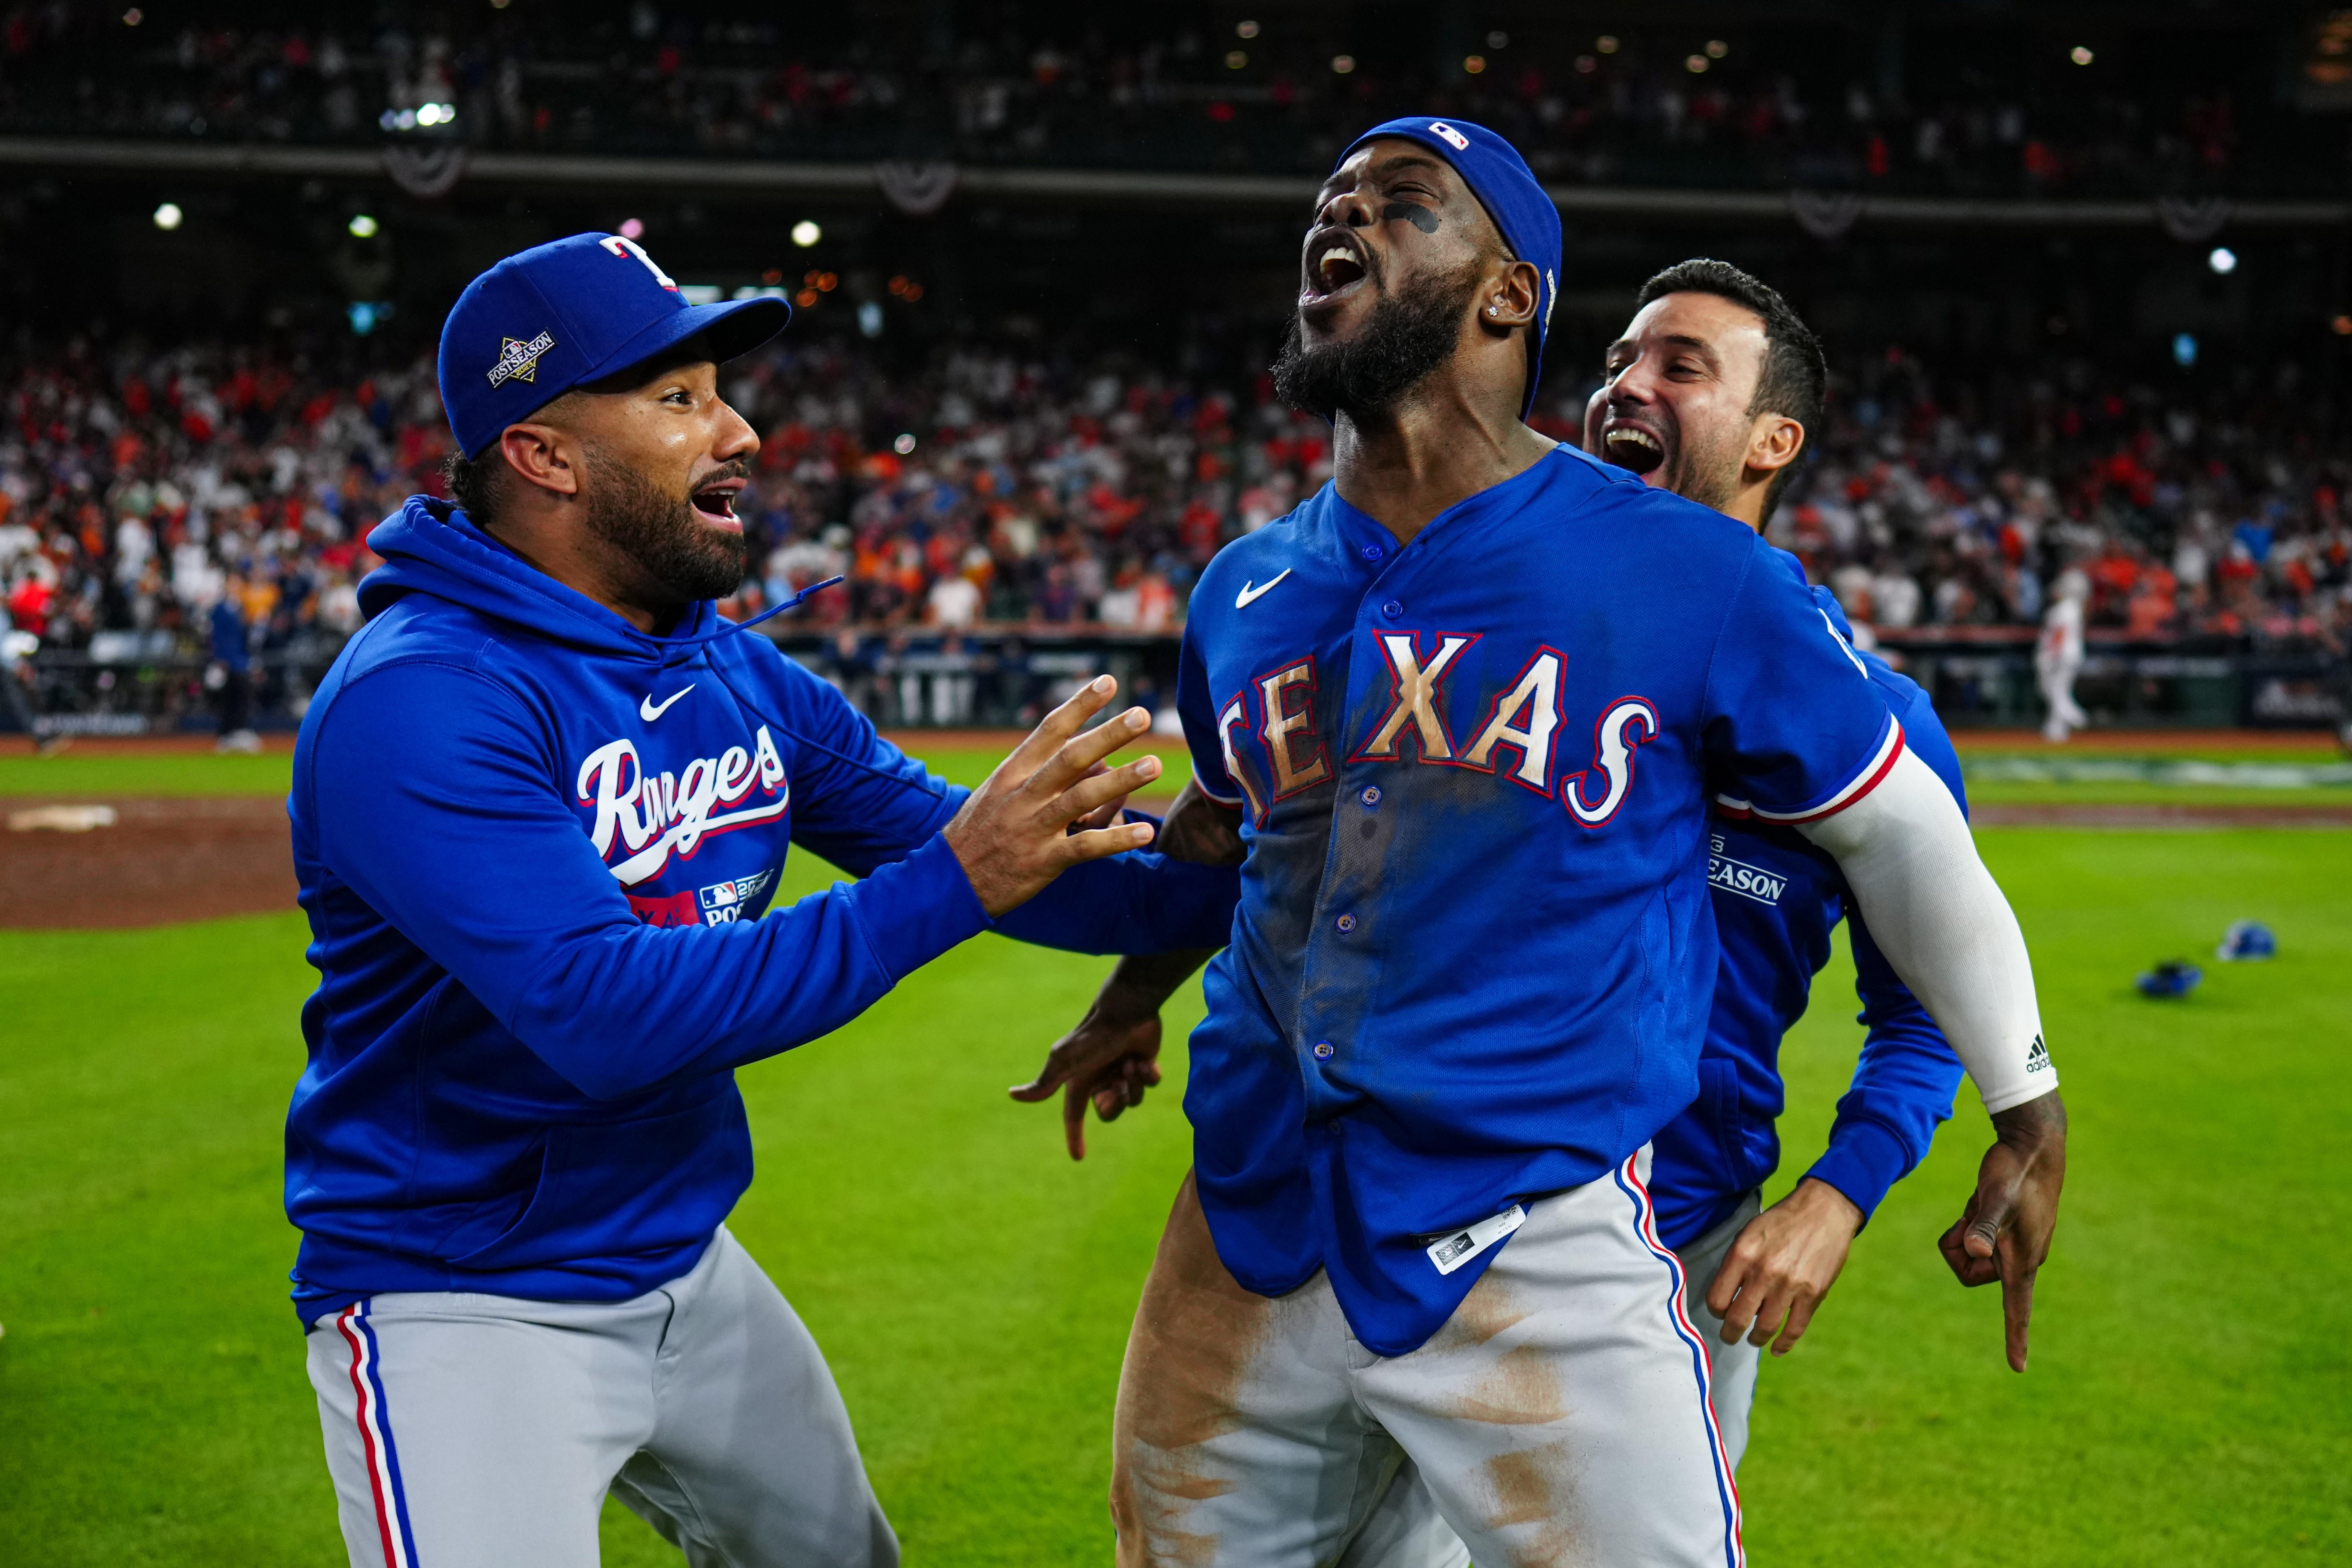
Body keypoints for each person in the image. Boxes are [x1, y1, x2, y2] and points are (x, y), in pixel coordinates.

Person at [1014, 120, 2065, 1566]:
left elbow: (1905, 846)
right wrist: (1130, 997)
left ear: (1507, 295)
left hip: (1539, 1227)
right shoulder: (1240, 589)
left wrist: (2024, 1108)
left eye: (1401, 206)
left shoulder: (1699, 575)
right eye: (1331, 205)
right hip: (1244, 1222)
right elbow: (1245, 842)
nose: (1345, 223)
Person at [285, 234, 1240, 1568]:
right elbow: (606, 1012)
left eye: (719, 388)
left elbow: (1001, 861)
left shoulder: (724, 664)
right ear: (546, 454)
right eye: (678, 398)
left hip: (680, 1255)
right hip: (463, 1299)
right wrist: (962, 874)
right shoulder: (421, 698)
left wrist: (1235, 855)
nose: (737, 426)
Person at [1577, 257, 1973, 1470]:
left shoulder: (1871, 724)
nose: (1624, 385)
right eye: (1614, 363)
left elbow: (1933, 1008)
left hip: (1683, 1250)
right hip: (1431, 1219)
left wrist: (1836, 1192)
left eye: (1678, 366)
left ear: (1771, 441)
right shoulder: (1501, 647)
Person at [209, 572, 261, 753]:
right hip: (228, 660)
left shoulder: (240, 609)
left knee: (242, 696)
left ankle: (238, 731)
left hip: (240, 660)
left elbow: (244, 638)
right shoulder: (220, 609)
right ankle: (228, 734)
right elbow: (217, 637)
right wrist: (220, 660)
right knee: (231, 698)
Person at [2038, 568, 2090, 741]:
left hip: (2061, 656)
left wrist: (2052, 655)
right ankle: (2056, 730)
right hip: (2068, 655)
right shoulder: (2072, 607)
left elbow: (2060, 633)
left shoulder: (2067, 608)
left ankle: (2078, 718)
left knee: (2057, 692)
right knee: (2058, 691)